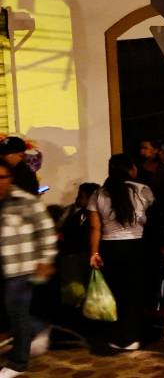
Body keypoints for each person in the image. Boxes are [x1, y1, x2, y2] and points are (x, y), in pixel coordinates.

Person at [89, 153, 155, 351]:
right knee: (135, 293)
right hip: (137, 246)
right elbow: (154, 220)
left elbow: (95, 228)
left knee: (115, 293)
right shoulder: (143, 190)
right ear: (131, 169)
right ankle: (132, 337)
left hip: (110, 247)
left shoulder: (98, 194)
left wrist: (94, 253)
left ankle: (116, 336)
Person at [0, 159, 56, 376]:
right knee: (11, 312)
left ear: (10, 178)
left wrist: (46, 259)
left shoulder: (24, 201)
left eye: (2, 177)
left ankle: (18, 363)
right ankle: (39, 328)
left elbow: (46, 230)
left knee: (17, 312)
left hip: (22, 266)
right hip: (3, 267)